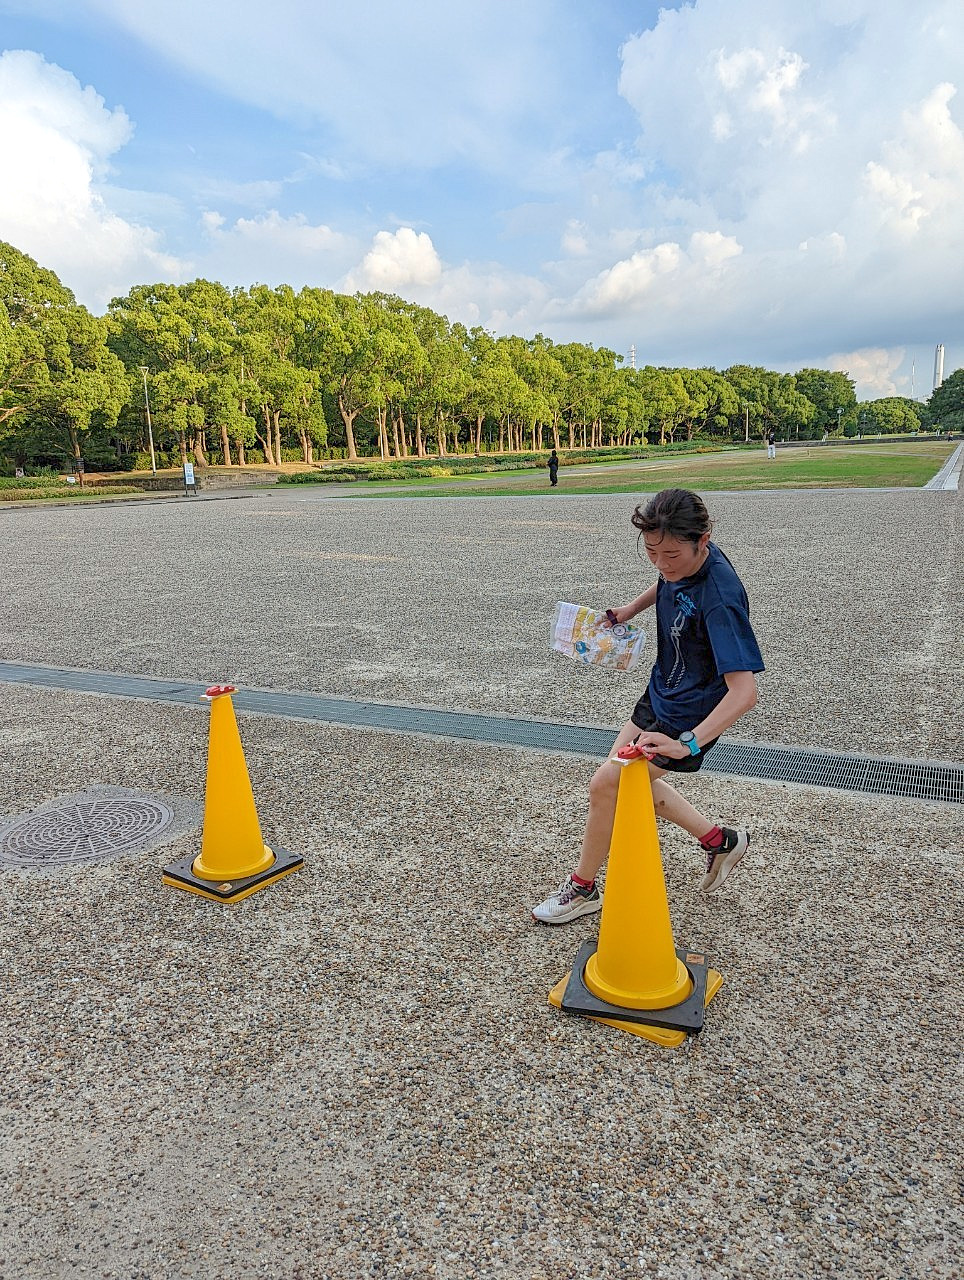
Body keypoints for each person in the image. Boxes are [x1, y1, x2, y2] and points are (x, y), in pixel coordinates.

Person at [532, 488, 764, 924]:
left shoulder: (722, 598)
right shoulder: (682, 560)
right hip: (662, 689)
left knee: (606, 786)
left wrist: (688, 743)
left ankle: (582, 888)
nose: (661, 563)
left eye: (671, 554)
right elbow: (666, 583)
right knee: (622, 786)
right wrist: (629, 610)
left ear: (704, 540)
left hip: (689, 712)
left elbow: (744, 693)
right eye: (652, 552)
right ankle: (720, 841)